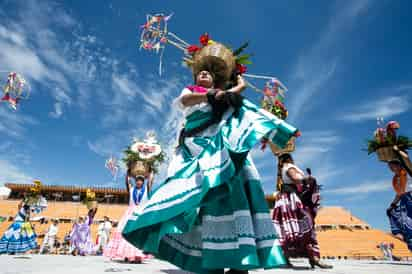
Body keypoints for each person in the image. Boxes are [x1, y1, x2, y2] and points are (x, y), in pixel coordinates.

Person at [122, 61, 299, 273]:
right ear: (196, 80)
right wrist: (210, 95)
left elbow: (238, 105)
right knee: (204, 199)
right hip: (197, 149)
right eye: (200, 72)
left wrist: (239, 86)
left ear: (217, 81)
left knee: (234, 196)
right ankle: (210, 259)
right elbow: (185, 100)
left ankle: (240, 260)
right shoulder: (192, 93)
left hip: (223, 148)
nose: (204, 73)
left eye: (208, 73)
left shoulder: (225, 98)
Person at [272, 153, 332, 269]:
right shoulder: (288, 167)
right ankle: (311, 258)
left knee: (297, 228)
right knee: (301, 228)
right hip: (292, 201)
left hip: (292, 199)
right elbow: (295, 178)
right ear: (289, 159)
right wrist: (308, 179)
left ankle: (312, 258)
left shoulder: (283, 168)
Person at [104, 175, 150, 262]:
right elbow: (127, 182)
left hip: (141, 213)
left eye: (140, 180)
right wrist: (128, 173)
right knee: (125, 232)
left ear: (143, 182)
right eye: (137, 180)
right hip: (130, 213)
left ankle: (137, 256)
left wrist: (150, 171)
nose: (138, 182)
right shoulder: (132, 189)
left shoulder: (147, 190)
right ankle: (126, 254)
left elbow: (151, 180)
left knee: (138, 233)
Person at [386, 151, 412, 251]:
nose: (391, 169)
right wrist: (392, 204)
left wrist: (397, 150)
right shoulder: (396, 179)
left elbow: (407, 159)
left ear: (399, 165)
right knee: (402, 219)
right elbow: (399, 193)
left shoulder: (408, 172)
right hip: (404, 200)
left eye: (392, 166)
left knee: (409, 221)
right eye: (389, 167)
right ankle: (400, 234)